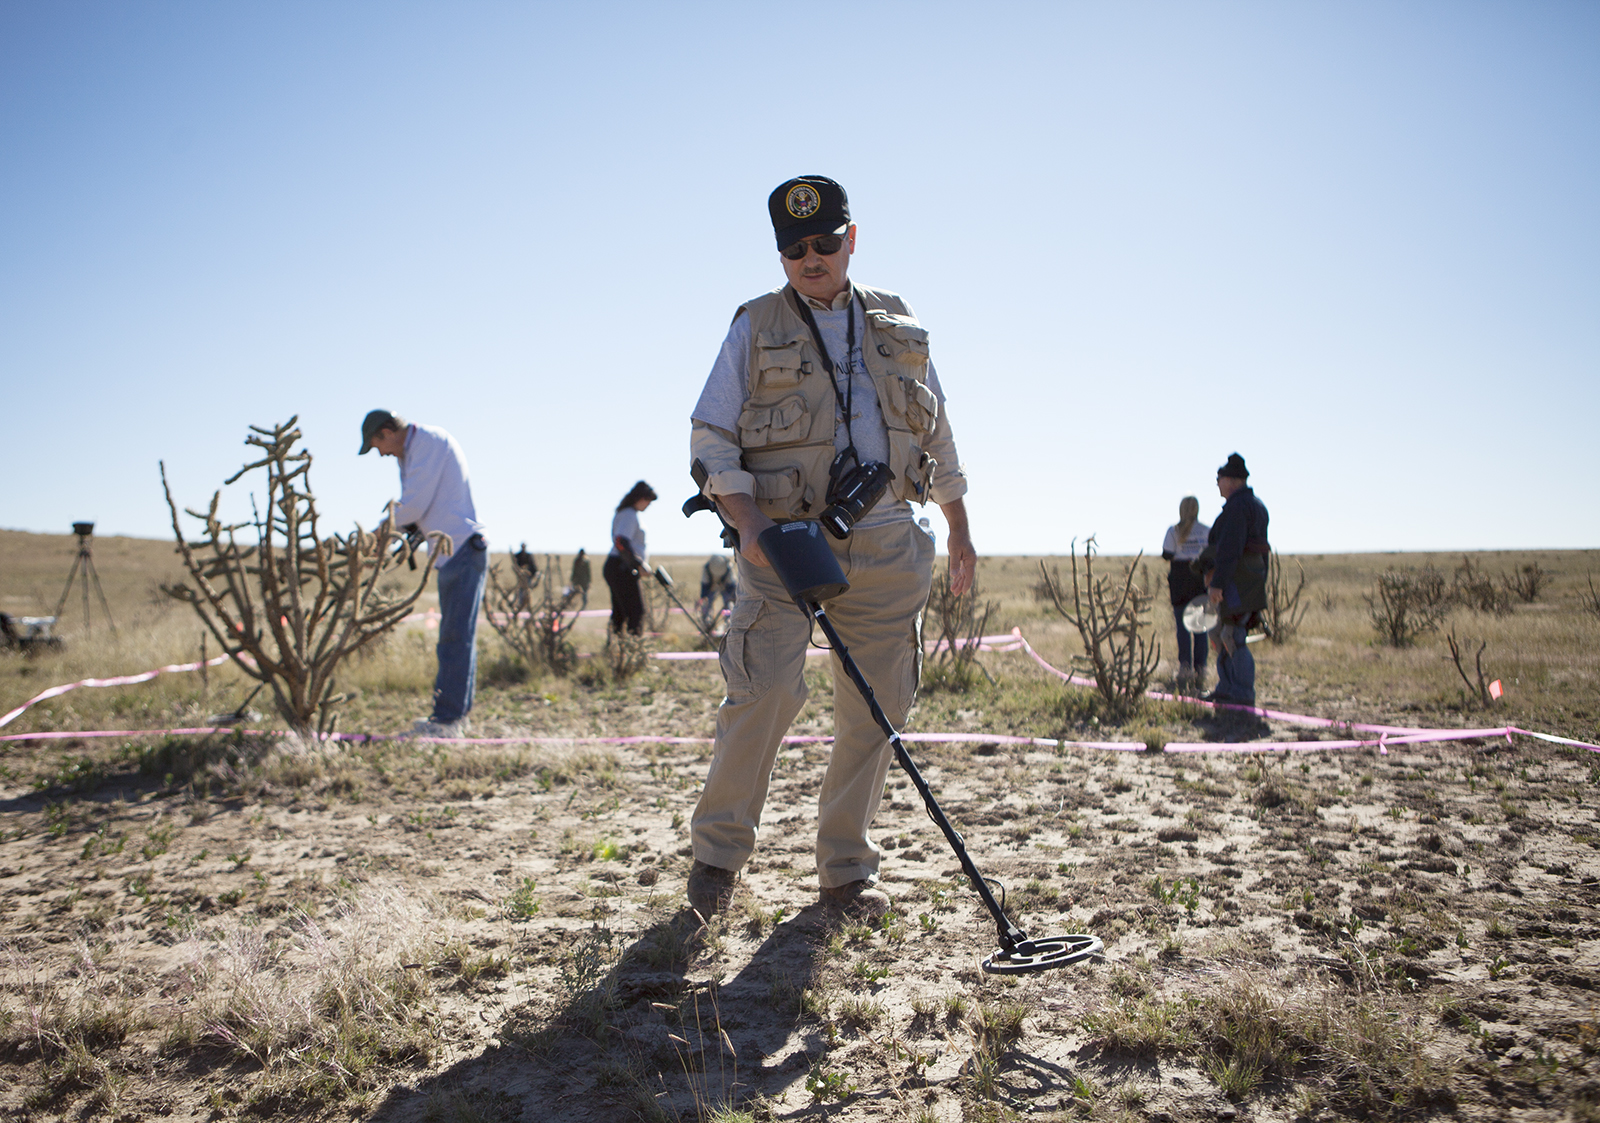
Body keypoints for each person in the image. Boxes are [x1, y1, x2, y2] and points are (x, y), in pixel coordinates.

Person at [684, 174, 974, 921]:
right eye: (792, 248)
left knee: (877, 710)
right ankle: (716, 863)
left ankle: (846, 871)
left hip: (886, 544)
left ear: (852, 237)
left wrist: (962, 530)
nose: (809, 258)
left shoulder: (898, 320)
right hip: (781, 548)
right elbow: (710, 435)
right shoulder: (752, 324)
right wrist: (747, 524)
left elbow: (936, 430)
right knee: (765, 691)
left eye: (823, 242)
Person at [360, 409, 488, 735]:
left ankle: (448, 721)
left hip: (459, 549)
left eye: (379, 445)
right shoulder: (415, 452)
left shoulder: (428, 443)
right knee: (456, 637)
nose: (381, 453)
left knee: (454, 639)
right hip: (451, 553)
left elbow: (414, 504)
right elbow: (421, 512)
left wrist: (380, 532)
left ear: (389, 431)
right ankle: (454, 716)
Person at [1201, 453, 1270, 705]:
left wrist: (1217, 584)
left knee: (1233, 637)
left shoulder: (1238, 508)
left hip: (1235, 585)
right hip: (1247, 583)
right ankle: (1227, 688)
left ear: (1231, 481)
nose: (1217, 484)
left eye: (1219, 479)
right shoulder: (1255, 506)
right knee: (1224, 635)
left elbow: (1230, 550)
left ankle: (1241, 694)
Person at [1161, 496, 1211, 689]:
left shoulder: (1173, 531)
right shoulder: (1206, 531)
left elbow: (1167, 554)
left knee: (1182, 627)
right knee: (1200, 627)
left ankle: (1185, 666)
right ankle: (1201, 667)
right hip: (1199, 580)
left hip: (1180, 580)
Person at [604, 481, 656, 635]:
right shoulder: (629, 515)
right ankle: (633, 648)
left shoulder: (626, 513)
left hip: (619, 567)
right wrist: (637, 564)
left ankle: (618, 649)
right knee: (635, 612)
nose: (648, 505)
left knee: (620, 612)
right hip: (621, 568)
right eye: (647, 500)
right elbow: (621, 542)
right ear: (639, 498)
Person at [697, 553, 737, 630]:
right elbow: (705, 586)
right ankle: (707, 624)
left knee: (729, 604)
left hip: (726, 586)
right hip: (712, 586)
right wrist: (703, 597)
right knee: (707, 603)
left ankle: (730, 625)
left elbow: (732, 586)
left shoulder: (729, 569)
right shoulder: (707, 569)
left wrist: (731, 598)